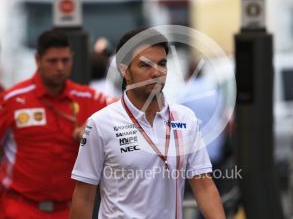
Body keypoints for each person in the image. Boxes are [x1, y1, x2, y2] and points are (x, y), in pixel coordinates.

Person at [70, 27, 226, 218]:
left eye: (162, 64)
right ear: (125, 72)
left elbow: (204, 186)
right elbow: (84, 195)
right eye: (145, 65)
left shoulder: (185, 118)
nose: (156, 72)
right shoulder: (101, 123)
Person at [0, 29, 108, 218]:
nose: (59, 67)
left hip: (69, 209)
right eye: (52, 61)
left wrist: (95, 131)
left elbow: (128, 112)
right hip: (19, 208)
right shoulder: (12, 99)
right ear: (37, 60)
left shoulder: (89, 98)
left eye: (65, 60)